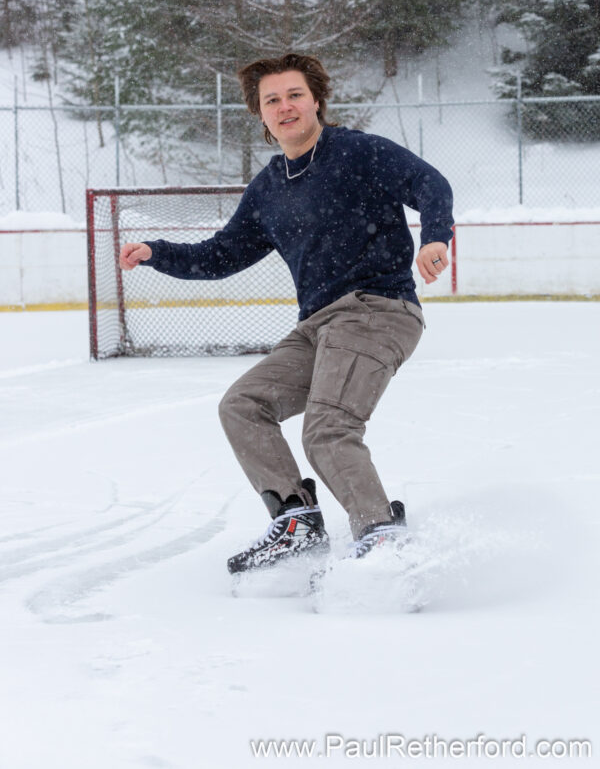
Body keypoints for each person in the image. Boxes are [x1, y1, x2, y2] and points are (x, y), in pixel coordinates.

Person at [119, 53, 454, 575]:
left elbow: (430, 184)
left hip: (376, 308)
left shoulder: (358, 152)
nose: (284, 106)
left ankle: (380, 537)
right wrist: (156, 253)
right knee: (243, 405)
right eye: (271, 100)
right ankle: (296, 522)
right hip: (318, 324)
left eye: (294, 95)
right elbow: (221, 255)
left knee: (327, 429)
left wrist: (434, 238)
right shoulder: (269, 188)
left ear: (316, 99)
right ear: (260, 113)